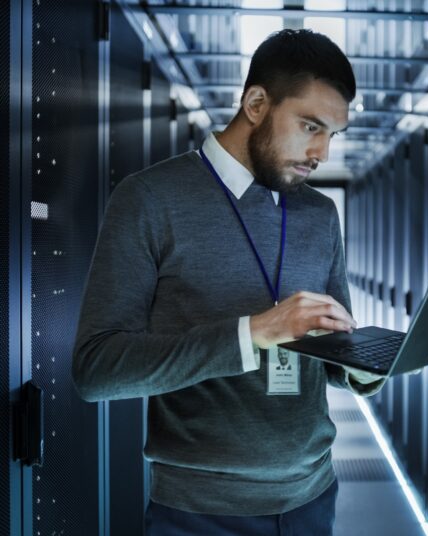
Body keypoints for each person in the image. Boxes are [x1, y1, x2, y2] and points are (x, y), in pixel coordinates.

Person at [71, 29, 386, 535]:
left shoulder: (320, 214)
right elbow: (97, 369)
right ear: (256, 103)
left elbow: (330, 352)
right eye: (310, 126)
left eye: (332, 134)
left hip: (314, 496)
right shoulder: (149, 199)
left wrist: (369, 366)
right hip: (199, 512)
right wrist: (254, 333)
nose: (321, 152)